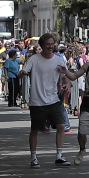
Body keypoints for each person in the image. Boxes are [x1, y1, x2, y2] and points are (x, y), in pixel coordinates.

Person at [19, 33, 70, 167]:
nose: (50, 46)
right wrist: (22, 73)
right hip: (37, 101)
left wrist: (67, 83)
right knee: (35, 129)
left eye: (52, 44)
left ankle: (59, 156)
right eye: (48, 44)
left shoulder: (58, 60)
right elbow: (23, 72)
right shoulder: (34, 59)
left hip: (53, 99)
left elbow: (64, 75)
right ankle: (33, 158)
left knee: (61, 126)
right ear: (41, 46)